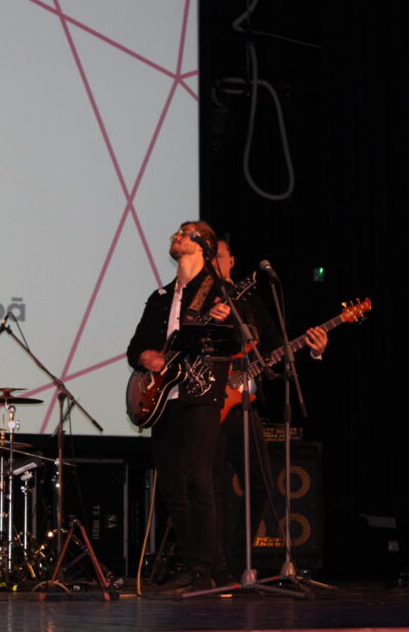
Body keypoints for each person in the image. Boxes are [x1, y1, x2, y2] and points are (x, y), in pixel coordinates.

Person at [210, 238, 327, 584]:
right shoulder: (199, 301)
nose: (214, 262)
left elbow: (278, 349)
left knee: (260, 486)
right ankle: (214, 568)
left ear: (232, 260)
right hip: (209, 407)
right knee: (212, 490)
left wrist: (314, 350)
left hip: (245, 407)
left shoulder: (250, 300)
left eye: (219, 256)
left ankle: (237, 565)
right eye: (209, 257)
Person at [127, 221, 233, 594]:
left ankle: (208, 567)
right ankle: (191, 566)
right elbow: (134, 348)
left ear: (202, 244)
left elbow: (240, 341)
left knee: (200, 481)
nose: (176, 235)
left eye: (185, 232)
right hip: (162, 401)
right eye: (176, 232)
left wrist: (225, 323)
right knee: (173, 487)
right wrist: (147, 357)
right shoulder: (159, 296)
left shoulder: (220, 291)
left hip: (200, 395)